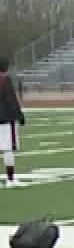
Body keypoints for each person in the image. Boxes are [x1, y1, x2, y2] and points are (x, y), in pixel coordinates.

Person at [0, 55, 22, 187]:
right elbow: (11, 100)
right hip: (6, 118)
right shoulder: (5, 80)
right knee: (8, 149)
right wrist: (19, 115)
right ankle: (10, 179)